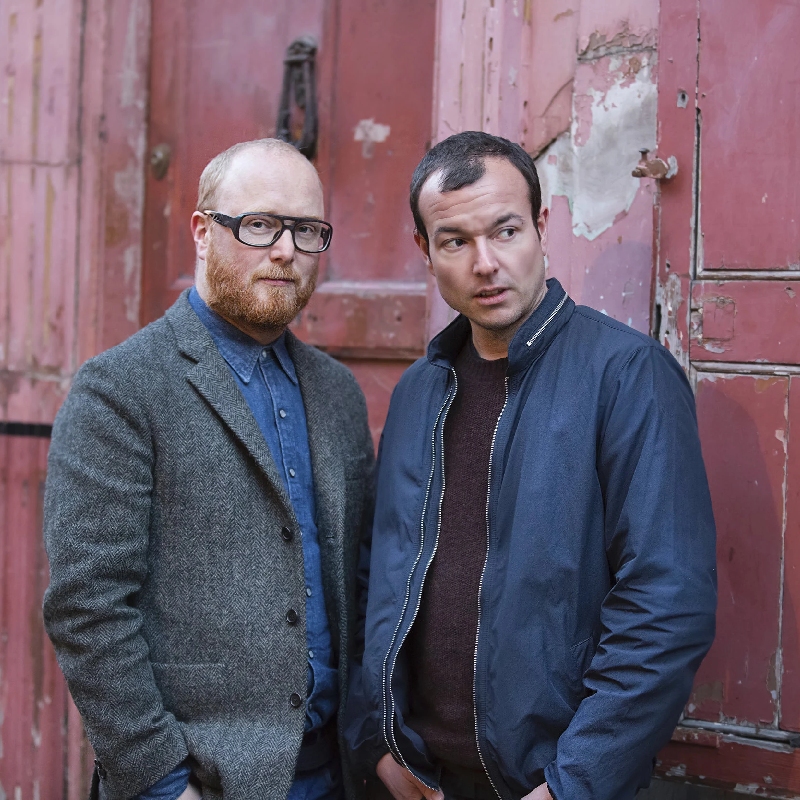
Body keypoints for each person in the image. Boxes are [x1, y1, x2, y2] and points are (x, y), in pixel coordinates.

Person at [343, 131, 717, 800]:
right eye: (455, 241)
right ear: (426, 253)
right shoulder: (417, 391)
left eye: (506, 230)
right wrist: (377, 742)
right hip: (418, 780)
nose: (486, 263)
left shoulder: (626, 377)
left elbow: (668, 606)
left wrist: (573, 784)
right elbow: (380, 576)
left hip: (546, 784)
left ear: (542, 227)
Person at [43, 139, 374, 800]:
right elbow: (88, 607)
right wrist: (163, 783)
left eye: (307, 231)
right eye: (258, 225)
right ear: (201, 230)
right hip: (198, 782)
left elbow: (359, 582)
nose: (285, 250)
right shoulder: (120, 389)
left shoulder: (338, 394)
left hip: (336, 777)